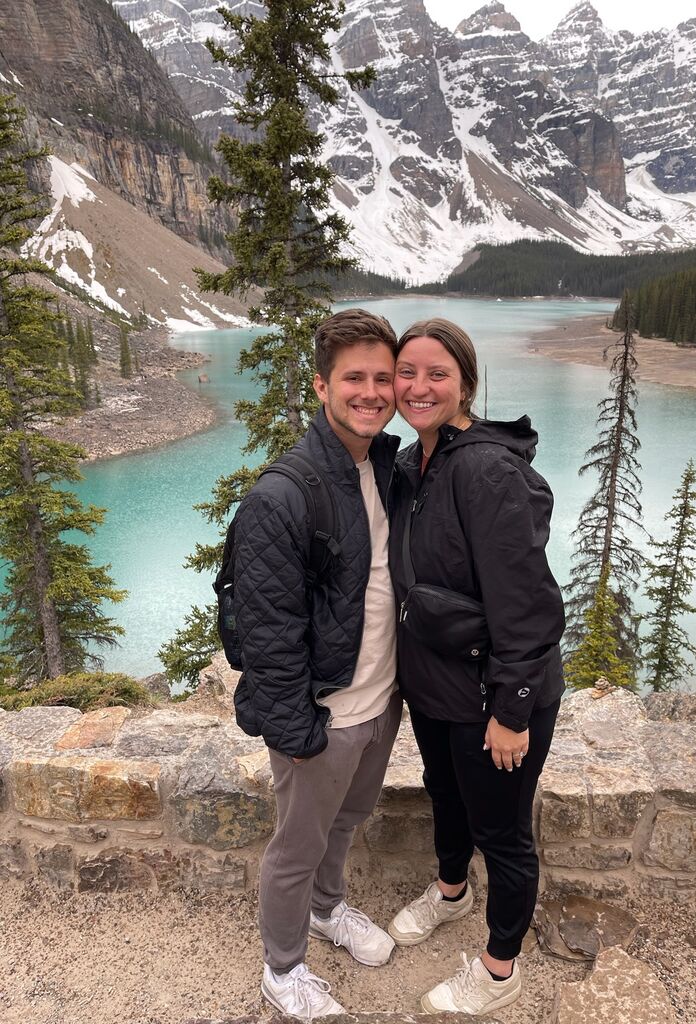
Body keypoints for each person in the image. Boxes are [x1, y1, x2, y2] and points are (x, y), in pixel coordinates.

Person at [386, 318, 565, 1015]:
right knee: (446, 793)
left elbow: (526, 600)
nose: (418, 386)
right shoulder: (414, 463)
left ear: (465, 382)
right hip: (435, 684)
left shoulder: (485, 469)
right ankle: (452, 892)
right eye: (408, 372)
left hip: (493, 693)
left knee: (504, 832)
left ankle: (499, 969)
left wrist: (511, 709)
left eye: (437, 373)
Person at [231, 308, 403, 1019]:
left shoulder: (387, 465)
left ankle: (329, 913)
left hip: (380, 701)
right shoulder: (284, 493)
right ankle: (283, 968)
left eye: (382, 378)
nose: (371, 392)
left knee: (346, 822)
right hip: (324, 718)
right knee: (296, 847)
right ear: (321, 387)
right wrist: (294, 732)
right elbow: (267, 632)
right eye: (353, 379)